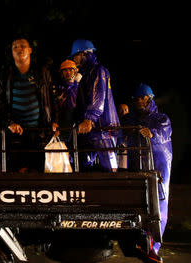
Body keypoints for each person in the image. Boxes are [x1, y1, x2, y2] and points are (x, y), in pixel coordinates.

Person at [121, 84, 172, 262]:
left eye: (141, 99)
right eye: (136, 100)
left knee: (158, 203)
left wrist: (151, 133)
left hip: (158, 167)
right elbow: (121, 132)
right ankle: (143, 243)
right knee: (140, 203)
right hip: (138, 167)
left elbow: (163, 133)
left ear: (149, 99)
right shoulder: (132, 119)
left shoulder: (161, 118)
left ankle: (154, 247)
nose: (138, 102)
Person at [0, 37, 54, 172]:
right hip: (15, 133)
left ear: (30, 50)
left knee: (39, 170)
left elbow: (52, 98)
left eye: (23, 46)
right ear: (11, 52)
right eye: (15, 47)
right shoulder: (4, 73)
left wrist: (55, 121)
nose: (19, 49)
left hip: (39, 131)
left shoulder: (42, 72)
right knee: (17, 171)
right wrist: (9, 123)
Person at [69, 39, 119, 172]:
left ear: (84, 54)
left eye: (76, 56)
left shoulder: (98, 71)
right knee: (85, 166)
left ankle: (115, 191)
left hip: (102, 128)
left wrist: (89, 119)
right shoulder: (85, 74)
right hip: (92, 129)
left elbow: (98, 96)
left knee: (110, 167)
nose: (74, 59)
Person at [52, 59, 81, 135]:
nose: (68, 72)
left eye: (71, 70)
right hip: (64, 122)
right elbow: (55, 108)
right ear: (61, 73)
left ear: (75, 71)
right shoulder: (58, 88)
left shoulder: (80, 86)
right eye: (65, 70)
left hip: (79, 121)